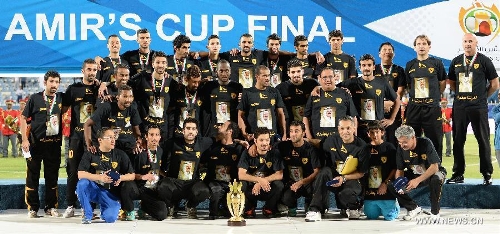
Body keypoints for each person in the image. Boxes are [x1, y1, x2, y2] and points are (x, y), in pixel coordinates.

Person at [447, 33, 499, 185]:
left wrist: (482, 97)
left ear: (476, 43)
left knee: (483, 140)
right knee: (458, 140)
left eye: (471, 41)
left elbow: (495, 84)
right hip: (460, 106)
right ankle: (458, 174)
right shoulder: (456, 61)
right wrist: (461, 96)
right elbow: (451, 82)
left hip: (478, 106)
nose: (468, 44)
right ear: (462, 43)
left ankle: (487, 174)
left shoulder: (484, 60)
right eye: (465, 41)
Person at [305, 116, 369, 221]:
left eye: (348, 128)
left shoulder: (362, 146)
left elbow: (361, 173)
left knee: (346, 193)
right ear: (338, 129)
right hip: (333, 178)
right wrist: (307, 140)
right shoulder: (331, 140)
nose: (345, 132)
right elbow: (319, 144)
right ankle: (315, 210)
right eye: (342, 128)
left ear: (354, 128)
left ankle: (353, 207)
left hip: (351, 179)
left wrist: (344, 178)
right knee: (323, 172)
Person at [20, 70, 64, 218]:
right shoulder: (35, 98)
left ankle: (51, 207)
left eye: (57, 82)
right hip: (35, 145)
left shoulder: (61, 98)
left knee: (52, 177)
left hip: (54, 145)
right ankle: (33, 208)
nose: (54, 85)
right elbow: (23, 118)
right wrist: (24, 140)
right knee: (32, 176)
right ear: (45, 82)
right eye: (51, 81)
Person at [61, 59, 100, 218]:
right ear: (82, 71)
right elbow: (62, 110)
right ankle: (71, 205)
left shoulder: (100, 88)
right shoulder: (73, 89)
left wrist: (103, 84)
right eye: (89, 69)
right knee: (72, 172)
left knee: (92, 172)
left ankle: (88, 208)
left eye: (94, 70)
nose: (92, 72)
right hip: (76, 138)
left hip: (93, 138)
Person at [76, 127, 135, 224]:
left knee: (110, 218)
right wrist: (99, 177)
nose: (113, 140)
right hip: (95, 190)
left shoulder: (120, 154)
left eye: (114, 137)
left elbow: (132, 175)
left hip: (110, 194)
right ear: (100, 140)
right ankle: (88, 214)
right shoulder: (91, 153)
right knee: (82, 183)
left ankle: (106, 209)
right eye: (109, 137)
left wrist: (121, 177)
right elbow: (80, 174)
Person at [389, 125, 446, 221]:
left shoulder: (425, 143)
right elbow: (400, 169)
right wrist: (400, 183)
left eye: (405, 142)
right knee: (392, 184)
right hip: (414, 174)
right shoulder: (401, 148)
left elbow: (435, 167)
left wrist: (417, 180)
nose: (402, 145)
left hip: (433, 173)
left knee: (436, 179)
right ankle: (413, 208)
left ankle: (435, 213)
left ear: (413, 138)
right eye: (399, 142)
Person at [157, 118, 212, 219]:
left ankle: (190, 205)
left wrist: (239, 141)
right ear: (183, 131)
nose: (190, 131)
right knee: (162, 187)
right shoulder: (173, 142)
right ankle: (171, 206)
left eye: (193, 129)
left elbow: (220, 139)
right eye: (188, 128)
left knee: (204, 191)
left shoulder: (203, 142)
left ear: (197, 132)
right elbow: (156, 146)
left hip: (192, 183)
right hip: (175, 182)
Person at [339, 54, 400, 142]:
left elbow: (397, 100)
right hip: (360, 128)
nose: (366, 68)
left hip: (377, 129)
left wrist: (391, 119)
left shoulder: (382, 83)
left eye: (369, 65)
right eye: (363, 65)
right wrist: (318, 88)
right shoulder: (352, 83)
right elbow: (333, 88)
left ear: (374, 67)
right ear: (360, 68)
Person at [404, 35, 447, 160]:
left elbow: (442, 82)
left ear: (429, 47)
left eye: (424, 44)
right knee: (411, 139)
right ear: (414, 47)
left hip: (431, 108)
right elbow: (408, 85)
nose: (421, 46)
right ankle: (414, 167)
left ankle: (436, 170)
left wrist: (434, 96)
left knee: (435, 139)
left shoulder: (436, 63)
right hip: (414, 108)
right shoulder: (410, 65)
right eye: (418, 44)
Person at [120, 124, 167, 221]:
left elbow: (159, 168)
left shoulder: (161, 151)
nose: (154, 138)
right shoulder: (138, 152)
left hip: (151, 189)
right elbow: (130, 174)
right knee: (126, 185)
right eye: (151, 135)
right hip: (138, 186)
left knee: (162, 214)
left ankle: (144, 207)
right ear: (146, 136)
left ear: (160, 137)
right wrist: (142, 177)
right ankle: (128, 209)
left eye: (157, 135)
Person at [201, 120, 245, 219]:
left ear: (230, 131)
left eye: (223, 125)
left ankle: (228, 209)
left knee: (233, 211)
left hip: (232, 183)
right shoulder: (212, 146)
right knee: (216, 190)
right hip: (214, 182)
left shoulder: (239, 149)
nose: (219, 126)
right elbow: (202, 162)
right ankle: (213, 214)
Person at [129, 51, 177, 141]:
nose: (161, 65)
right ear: (152, 64)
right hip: (145, 126)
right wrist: (105, 83)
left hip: (163, 128)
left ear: (166, 65)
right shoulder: (142, 78)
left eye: (163, 63)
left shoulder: (171, 81)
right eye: (158, 62)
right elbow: (124, 83)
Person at [84, 85, 142, 158]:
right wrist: (89, 144)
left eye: (130, 96)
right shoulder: (106, 107)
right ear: (118, 97)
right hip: (109, 144)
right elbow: (87, 124)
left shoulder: (132, 109)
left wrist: (139, 142)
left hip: (126, 145)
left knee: (140, 154)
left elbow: (136, 131)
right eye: (125, 96)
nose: (128, 99)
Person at [238, 127, 284, 218]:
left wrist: (263, 181)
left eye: (267, 140)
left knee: (279, 185)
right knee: (242, 184)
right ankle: (249, 208)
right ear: (255, 141)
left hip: (267, 187)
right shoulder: (247, 153)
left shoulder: (275, 153)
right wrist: (258, 180)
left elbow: (279, 174)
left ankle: (269, 208)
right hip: (252, 189)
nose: (264, 143)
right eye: (261, 140)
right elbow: (241, 175)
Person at [277, 121, 321, 217]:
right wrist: (253, 146)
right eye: (291, 131)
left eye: (296, 131)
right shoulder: (283, 146)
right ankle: (291, 206)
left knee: (316, 188)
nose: (293, 134)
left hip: (307, 182)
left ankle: (309, 203)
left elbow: (317, 171)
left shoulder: (311, 149)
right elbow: (269, 147)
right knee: (286, 197)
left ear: (303, 133)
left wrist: (301, 182)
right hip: (292, 183)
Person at [304, 67, 357, 139]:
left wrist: (354, 136)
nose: (328, 80)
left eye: (330, 77)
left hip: (340, 140)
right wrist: (309, 137)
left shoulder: (344, 93)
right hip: (318, 140)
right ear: (320, 78)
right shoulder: (314, 94)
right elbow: (306, 116)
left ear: (335, 77)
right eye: (325, 77)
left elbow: (353, 117)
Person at [238, 65, 287, 142]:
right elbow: (240, 115)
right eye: (264, 76)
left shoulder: (275, 92)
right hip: (255, 138)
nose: (267, 78)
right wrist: (244, 134)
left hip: (272, 137)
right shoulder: (247, 93)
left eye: (268, 75)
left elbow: (281, 114)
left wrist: (284, 134)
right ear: (257, 77)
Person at [363, 121, 399, 221]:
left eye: (377, 132)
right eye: (372, 132)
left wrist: (385, 183)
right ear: (368, 134)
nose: (375, 135)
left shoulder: (389, 148)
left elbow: (395, 168)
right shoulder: (365, 148)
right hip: (371, 190)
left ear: (382, 132)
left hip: (385, 188)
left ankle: (394, 204)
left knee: (389, 217)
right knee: (371, 216)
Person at [374, 42, 407, 147]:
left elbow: (400, 90)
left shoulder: (399, 70)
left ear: (394, 54)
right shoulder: (374, 69)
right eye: (384, 50)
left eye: (390, 50)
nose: (387, 52)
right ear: (379, 53)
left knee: (393, 143)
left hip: (394, 112)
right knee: (377, 143)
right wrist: (382, 104)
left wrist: (390, 103)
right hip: (377, 113)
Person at [276, 59, 319, 131]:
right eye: (293, 72)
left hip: (311, 126)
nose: (296, 75)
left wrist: (318, 87)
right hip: (291, 128)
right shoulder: (280, 88)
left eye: (298, 71)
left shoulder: (312, 83)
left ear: (303, 71)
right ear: (288, 73)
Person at [172, 65, 203, 137]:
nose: (197, 85)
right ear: (186, 79)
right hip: (179, 134)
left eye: (199, 82)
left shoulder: (202, 92)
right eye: (194, 82)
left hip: (195, 136)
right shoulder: (178, 92)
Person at [490, 98, 500, 169]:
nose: (499, 96)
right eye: (499, 94)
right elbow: (496, 117)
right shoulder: (496, 109)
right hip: (498, 144)